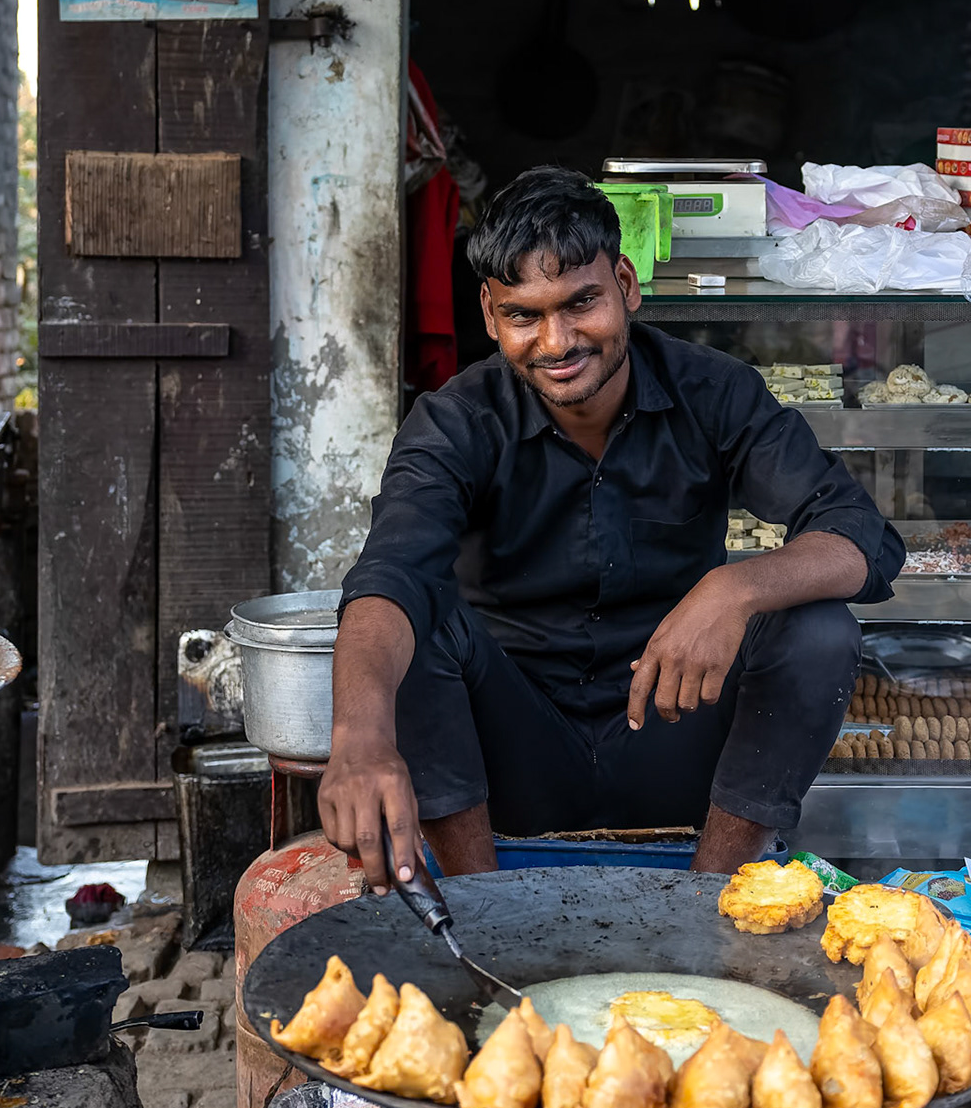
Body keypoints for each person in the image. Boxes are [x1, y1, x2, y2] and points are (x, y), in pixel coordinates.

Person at [320, 166, 904, 891]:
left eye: (581, 302)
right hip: (513, 759)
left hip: (668, 733)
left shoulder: (714, 390)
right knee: (417, 619)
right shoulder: (454, 421)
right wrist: (359, 735)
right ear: (490, 314)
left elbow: (861, 535)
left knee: (818, 626)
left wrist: (734, 588)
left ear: (625, 284)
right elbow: (390, 574)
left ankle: (712, 900)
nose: (557, 341)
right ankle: (480, 911)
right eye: (524, 315)